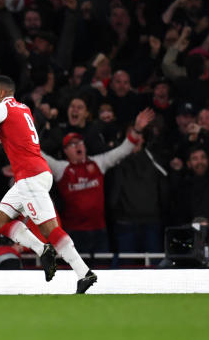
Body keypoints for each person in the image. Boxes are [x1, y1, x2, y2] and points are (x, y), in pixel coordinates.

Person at [0, 75, 98, 293]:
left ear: (1, 93)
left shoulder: (1, 108)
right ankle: (43, 250)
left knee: (50, 228)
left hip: (30, 177)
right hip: (34, 175)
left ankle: (83, 273)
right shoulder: (22, 108)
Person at [40, 109, 154, 259]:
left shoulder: (99, 163)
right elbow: (37, 155)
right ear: (66, 151)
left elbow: (124, 149)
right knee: (76, 274)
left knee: (103, 272)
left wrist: (137, 129)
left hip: (99, 231)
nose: (78, 146)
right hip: (73, 233)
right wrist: (18, 138)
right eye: (72, 145)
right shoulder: (61, 168)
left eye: (80, 142)